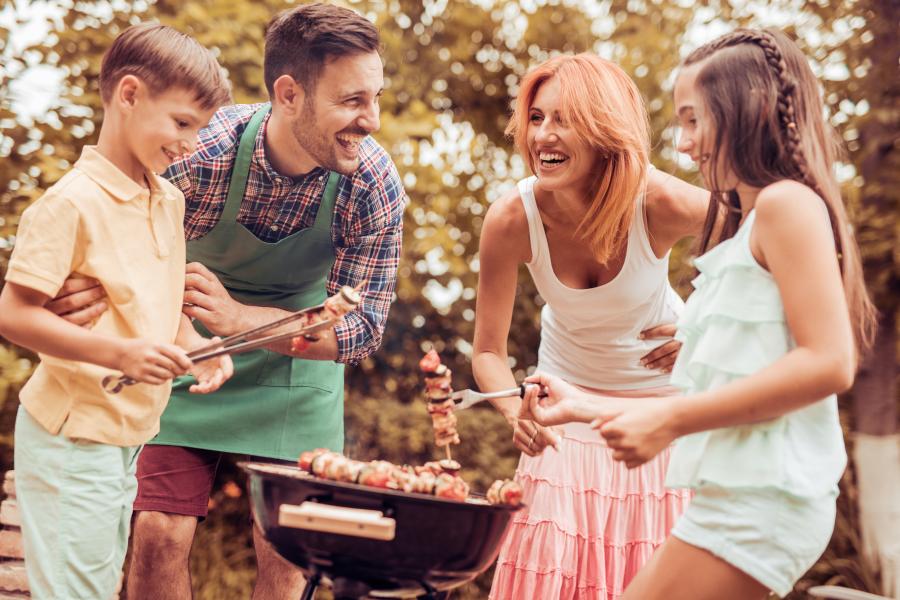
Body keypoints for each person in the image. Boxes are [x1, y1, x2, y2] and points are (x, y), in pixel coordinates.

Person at [43, 4, 406, 599]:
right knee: (159, 531)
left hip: (296, 369)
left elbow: (362, 328)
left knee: (289, 550)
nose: (372, 120)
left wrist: (242, 320)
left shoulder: (371, 184)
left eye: (376, 97)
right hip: (186, 355)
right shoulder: (199, 155)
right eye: (352, 101)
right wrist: (84, 284)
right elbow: (108, 237)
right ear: (289, 94)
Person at [523, 28, 877, 600]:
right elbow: (740, 384)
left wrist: (667, 422)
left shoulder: (787, 205)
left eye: (693, 120)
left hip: (762, 505)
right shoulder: (755, 224)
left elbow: (831, 362)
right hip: (732, 498)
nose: (684, 144)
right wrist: (586, 405)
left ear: (747, 110)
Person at [0, 24, 233, 600]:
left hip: (127, 435)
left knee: (97, 589)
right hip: (73, 437)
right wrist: (122, 353)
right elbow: (14, 315)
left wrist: (194, 344)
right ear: (128, 95)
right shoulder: (71, 204)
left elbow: (160, 299)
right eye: (182, 123)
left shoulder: (167, 198)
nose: (191, 143)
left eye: (200, 129)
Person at [472, 53, 708, 599]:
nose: (543, 135)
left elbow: (764, 240)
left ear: (604, 130)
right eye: (536, 117)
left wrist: (702, 324)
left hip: (662, 412)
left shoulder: (659, 201)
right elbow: (487, 350)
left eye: (564, 118)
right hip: (563, 413)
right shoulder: (511, 219)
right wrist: (516, 411)